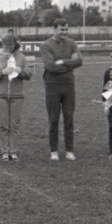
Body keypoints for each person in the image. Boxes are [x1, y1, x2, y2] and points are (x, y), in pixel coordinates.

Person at [40, 18, 83, 161]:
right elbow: (50, 66)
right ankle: (54, 151)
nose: (64, 32)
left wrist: (63, 61)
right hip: (52, 85)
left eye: (66, 29)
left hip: (69, 85)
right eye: (61, 29)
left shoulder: (71, 44)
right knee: (53, 119)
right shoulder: (46, 45)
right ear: (54, 29)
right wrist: (69, 64)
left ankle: (69, 150)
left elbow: (79, 61)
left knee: (69, 118)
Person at [0, 34, 31, 161]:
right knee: (3, 125)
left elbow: (28, 75)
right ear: (2, 45)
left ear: (15, 44)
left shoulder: (21, 57)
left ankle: (13, 151)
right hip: (0, 94)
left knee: (14, 125)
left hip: (17, 94)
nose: (8, 49)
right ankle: (5, 151)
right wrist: (2, 72)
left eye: (10, 46)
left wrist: (20, 72)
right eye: (6, 46)